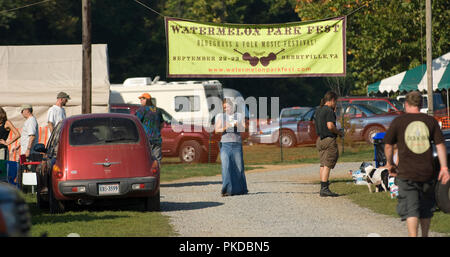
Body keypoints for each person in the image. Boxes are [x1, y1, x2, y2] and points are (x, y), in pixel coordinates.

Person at [384, 91, 449, 237]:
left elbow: (388, 145)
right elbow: (440, 145)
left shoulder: (399, 122)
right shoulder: (430, 121)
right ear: (421, 104)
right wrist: (444, 167)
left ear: (406, 104)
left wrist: (390, 163)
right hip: (427, 171)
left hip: (407, 172)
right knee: (426, 208)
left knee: (411, 208)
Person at [215, 98, 248, 197]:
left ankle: (241, 189)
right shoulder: (221, 117)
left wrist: (237, 125)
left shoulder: (239, 116)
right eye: (224, 107)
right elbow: (217, 130)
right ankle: (226, 190)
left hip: (236, 144)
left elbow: (244, 128)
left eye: (228, 106)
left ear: (232, 106)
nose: (226, 109)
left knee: (239, 167)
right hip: (225, 144)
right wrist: (225, 127)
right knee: (226, 166)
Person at [313, 91, 344, 197]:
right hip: (329, 139)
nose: (336, 104)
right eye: (335, 102)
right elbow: (330, 126)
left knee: (322, 164)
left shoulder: (318, 110)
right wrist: (339, 132)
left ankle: (323, 187)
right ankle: (325, 189)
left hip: (320, 140)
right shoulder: (329, 111)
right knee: (328, 164)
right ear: (332, 100)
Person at [135, 93, 164, 166]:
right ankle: (157, 174)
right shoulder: (157, 110)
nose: (141, 101)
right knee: (157, 159)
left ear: (147, 100)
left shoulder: (142, 110)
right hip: (157, 138)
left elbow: (136, 122)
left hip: (146, 139)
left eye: (142, 99)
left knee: (147, 159)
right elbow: (162, 123)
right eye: (140, 99)